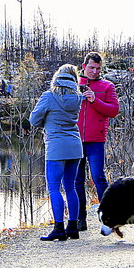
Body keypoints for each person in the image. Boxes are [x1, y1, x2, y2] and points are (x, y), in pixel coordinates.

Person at [29, 64, 84, 241]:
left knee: (54, 187)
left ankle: (59, 229)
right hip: (75, 146)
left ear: (57, 77)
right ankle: (73, 228)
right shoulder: (78, 97)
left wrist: (46, 122)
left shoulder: (49, 96)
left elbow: (33, 119)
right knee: (71, 187)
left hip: (56, 147)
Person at [75, 52, 120, 231]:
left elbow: (113, 110)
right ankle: (80, 219)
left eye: (98, 68)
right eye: (92, 67)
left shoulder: (107, 86)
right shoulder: (73, 84)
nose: (94, 71)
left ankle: (108, 216)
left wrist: (94, 100)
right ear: (84, 66)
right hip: (74, 140)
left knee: (98, 177)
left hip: (96, 140)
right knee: (77, 181)